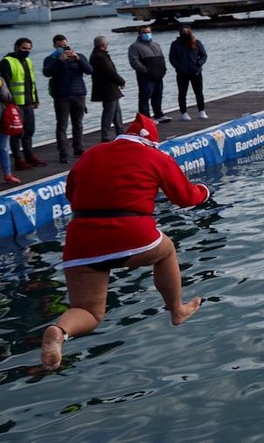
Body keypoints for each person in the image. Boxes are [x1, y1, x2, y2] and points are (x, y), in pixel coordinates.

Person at [39, 114, 210, 370]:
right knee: (166, 251)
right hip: (132, 234)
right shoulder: (156, 156)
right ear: (151, 141)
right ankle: (177, 310)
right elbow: (184, 197)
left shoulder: (91, 154)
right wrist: (205, 191)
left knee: (90, 312)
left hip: (82, 241)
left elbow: (71, 194)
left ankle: (59, 330)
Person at [43, 34, 94, 164]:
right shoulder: (51, 59)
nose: (63, 48)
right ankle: (63, 153)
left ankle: (79, 148)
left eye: (65, 45)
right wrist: (60, 60)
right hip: (61, 96)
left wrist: (78, 60)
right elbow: (47, 73)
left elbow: (89, 70)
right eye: (60, 46)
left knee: (78, 123)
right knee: (62, 125)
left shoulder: (79, 56)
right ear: (55, 46)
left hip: (78, 94)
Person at [0, 37, 43, 171]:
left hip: (28, 102)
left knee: (29, 130)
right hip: (15, 104)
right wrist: (11, 103)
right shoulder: (7, 62)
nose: (26, 51)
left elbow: (31, 82)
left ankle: (29, 155)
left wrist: (35, 99)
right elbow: (5, 85)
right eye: (24, 48)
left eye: (29, 49)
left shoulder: (28, 61)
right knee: (17, 132)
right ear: (16, 47)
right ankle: (18, 159)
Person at [128, 25, 170, 122]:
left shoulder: (156, 45)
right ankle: (145, 119)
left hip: (158, 75)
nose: (147, 34)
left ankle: (158, 114)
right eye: (144, 32)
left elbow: (162, 58)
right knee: (145, 97)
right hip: (145, 77)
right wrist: (145, 70)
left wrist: (163, 69)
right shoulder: (135, 46)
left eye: (148, 32)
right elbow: (134, 61)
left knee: (158, 96)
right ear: (140, 34)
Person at [89, 35, 126, 142]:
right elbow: (110, 71)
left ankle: (120, 133)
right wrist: (121, 81)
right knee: (109, 114)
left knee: (116, 113)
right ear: (104, 45)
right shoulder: (100, 57)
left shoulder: (98, 55)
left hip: (111, 89)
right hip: (108, 90)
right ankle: (105, 136)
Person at [168, 25, 208, 121]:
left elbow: (203, 55)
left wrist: (198, 64)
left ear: (190, 32)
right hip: (182, 73)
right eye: (183, 32)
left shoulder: (196, 43)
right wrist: (178, 67)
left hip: (195, 72)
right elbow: (172, 58)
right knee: (182, 93)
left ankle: (201, 110)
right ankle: (183, 112)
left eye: (187, 32)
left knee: (198, 92)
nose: (185, 33)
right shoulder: (175, 44)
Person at [0, 72, 16, 184]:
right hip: (1, 119)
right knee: (3, 147)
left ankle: (8, 174)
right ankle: (7, 174)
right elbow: (6, 96)